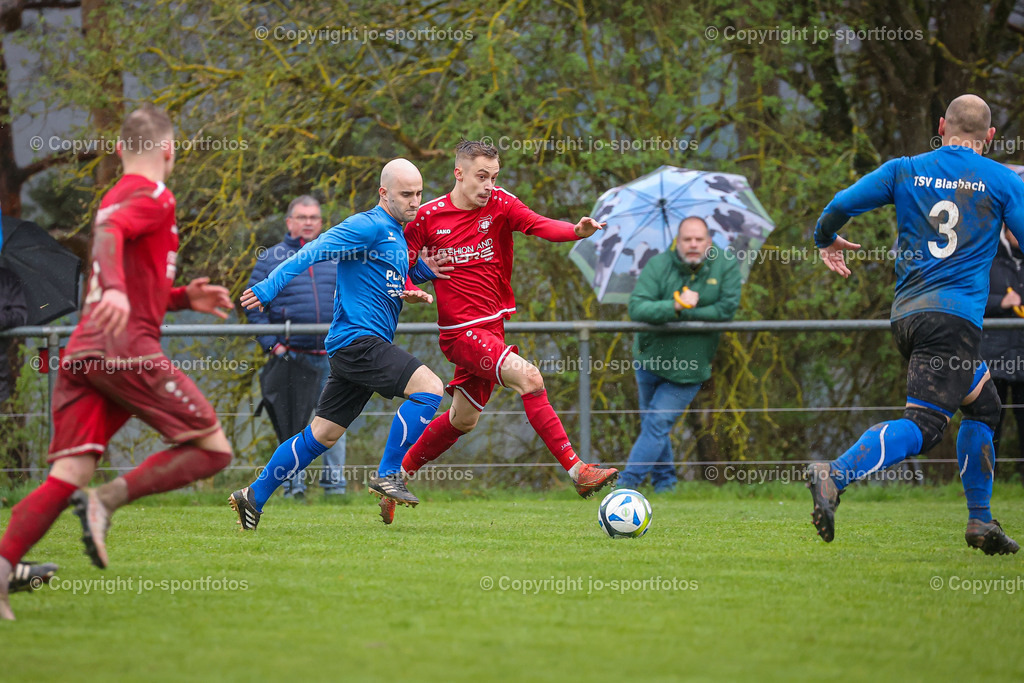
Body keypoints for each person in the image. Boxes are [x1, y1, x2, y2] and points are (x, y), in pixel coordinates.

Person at [0, 104, 235, 620]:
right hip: (121, 347)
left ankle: (1, 569)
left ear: (120, 149)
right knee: (215, 450)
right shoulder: (153, 195)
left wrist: (178, 299)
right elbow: (107, 234)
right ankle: (105, 500)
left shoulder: (118, 193)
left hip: (86, 350)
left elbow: (128, 263)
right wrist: (116, 289)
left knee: (68, 472)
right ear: (169, 151)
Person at [806, 94, 1024, 555]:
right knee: (925, 424)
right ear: (990, 137)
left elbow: (841, 203)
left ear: (942, 125)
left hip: (908, 315)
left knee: (984, 406)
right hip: (953, 322)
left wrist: (824, 239)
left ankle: (981, 523)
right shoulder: (1003, 181)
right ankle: (835, 474)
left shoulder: (903, 169)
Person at [395, 140, 619, 524]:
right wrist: (415, 281)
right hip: (460, 333)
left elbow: (538, 224)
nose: (489, 185)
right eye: (482, 176)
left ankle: (394, 476)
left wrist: (576, 231)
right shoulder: (428, 217)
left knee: (463, 420)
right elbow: (402, 263)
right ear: (458, 173)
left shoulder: (500, 204)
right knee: (529, 377)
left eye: (494, 177)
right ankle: (577, 470)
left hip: (492, 328)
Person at [229, 159, 450, 529]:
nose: (415, 201)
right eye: (406, 194)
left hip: (354, 347)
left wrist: (417, 278)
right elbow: (315, 250)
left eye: (419, 194)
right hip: (358, 342)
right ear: (384, 193)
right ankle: (389, 474)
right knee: (430, 389)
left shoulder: (395, 233)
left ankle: (253, 495)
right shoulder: (367, 224)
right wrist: (270, 286)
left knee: (322, 435)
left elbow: (385, 280)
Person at [619, 217, 741, 492]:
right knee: (653, 425)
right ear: (678, 241)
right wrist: (675, 305)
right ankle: (666, 486)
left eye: (699, 239)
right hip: (649, 359)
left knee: (657, 423)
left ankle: (624, 488)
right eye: (687, 239)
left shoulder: (726, 265)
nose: (693, 244)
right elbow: (637, 308)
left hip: (690, 367)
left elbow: (726, 311)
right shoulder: (658, 265)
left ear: (709, 242)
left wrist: (688, 313)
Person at [246, 195, 347, 498]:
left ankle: (336, 489)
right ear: (289, 222)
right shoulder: (271, 258)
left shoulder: (334, 254)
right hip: (293, 358)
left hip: (333, 357)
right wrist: (272, 345)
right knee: (294, 425)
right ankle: (294, 488)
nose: (308, 222)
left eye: (313, 217)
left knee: (336, 423)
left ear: (321, 222)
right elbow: (253, 308)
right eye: (302, 217)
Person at [981, 225, 1024, 479]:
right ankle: (983, 484)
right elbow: (969, 297)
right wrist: (1000, 302)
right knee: (989, 422)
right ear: (1006, 228)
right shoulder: (986, 255)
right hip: (993, 358)